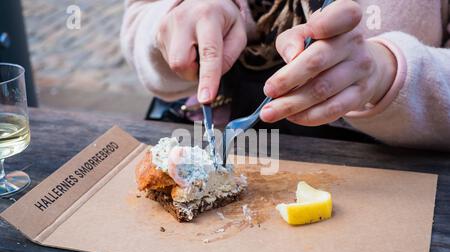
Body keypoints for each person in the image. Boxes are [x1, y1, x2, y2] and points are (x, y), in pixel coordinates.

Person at [121, 0, 450, 151]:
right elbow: (139, 14)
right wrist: (172, 21)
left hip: (388, 170)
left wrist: (390, 73)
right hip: (214, 133)